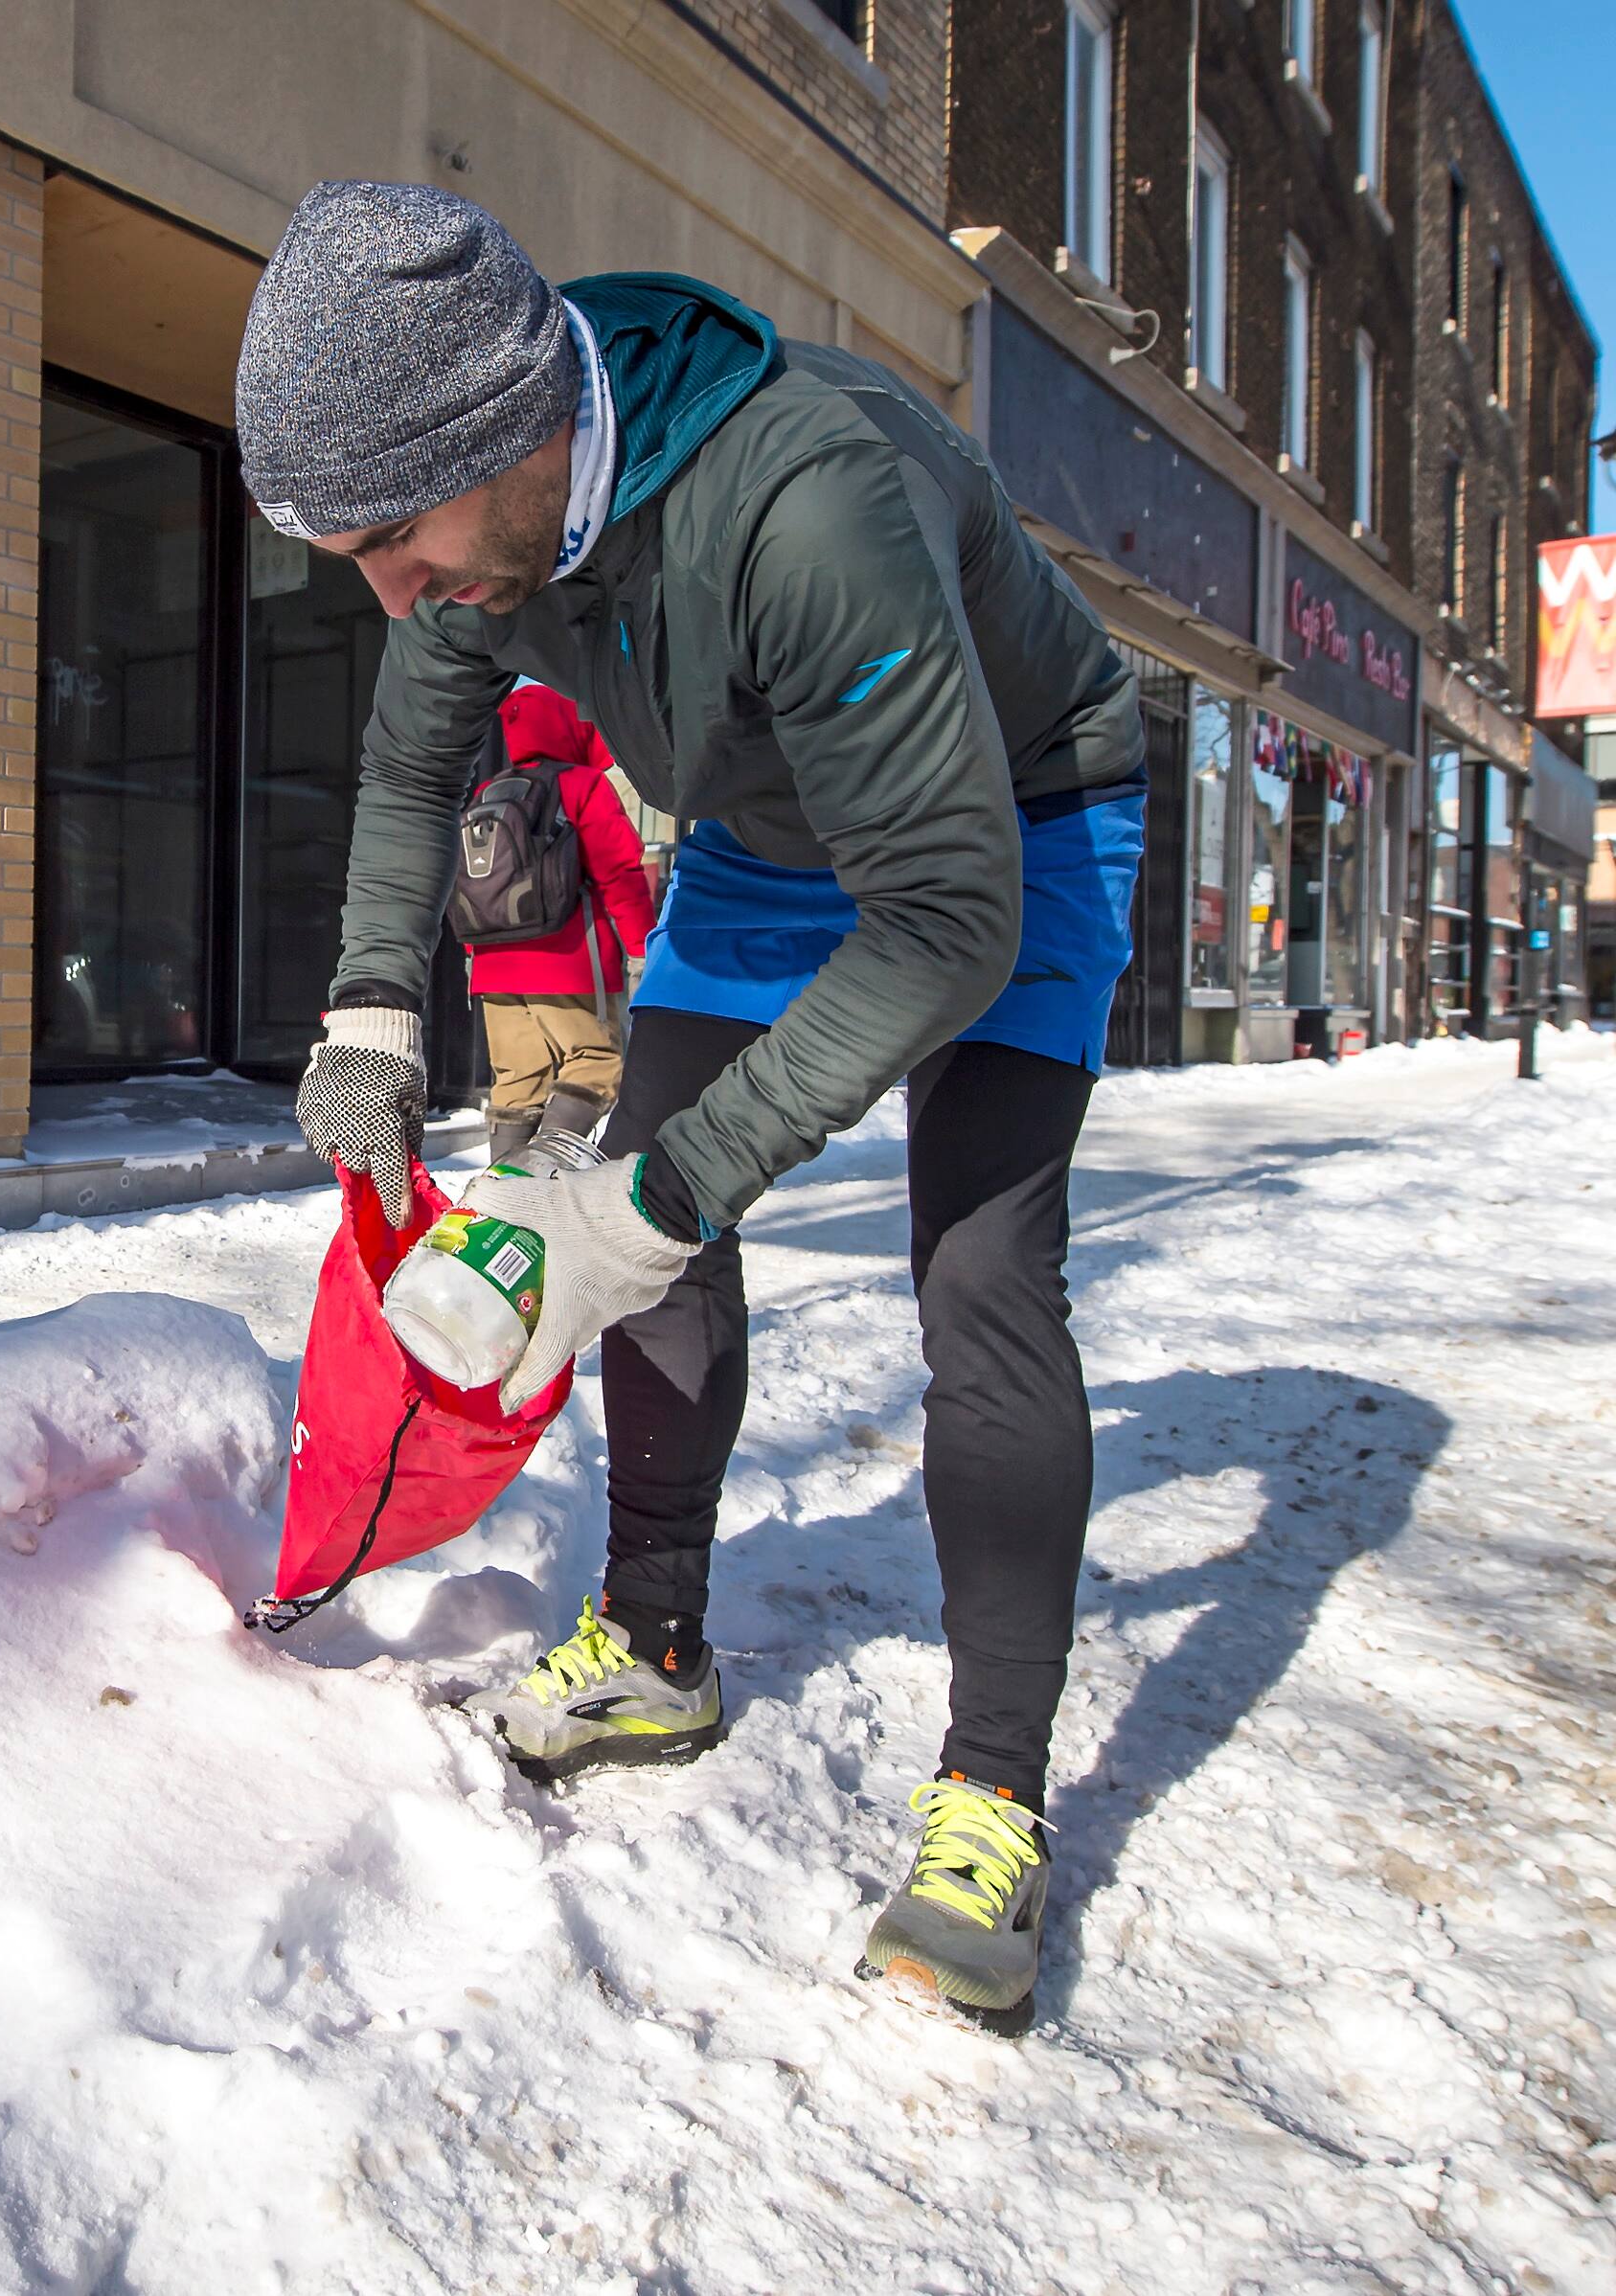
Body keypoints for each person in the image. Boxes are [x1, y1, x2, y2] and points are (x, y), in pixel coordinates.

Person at [243, 183, 1145, 2035]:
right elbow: (414, 766)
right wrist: (370, 1014)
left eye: (393, 539)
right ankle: (655, 1641)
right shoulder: (469, 533)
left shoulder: (808, 499)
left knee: (977, 1274)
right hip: (767, 834)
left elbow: (950, 917)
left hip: (1014, 826)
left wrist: (653, 1193)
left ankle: (991, 1788)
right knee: (654, 1213)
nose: (391, 594)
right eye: (352, 553)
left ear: (505, 435)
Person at [466, 684, 654, 1163]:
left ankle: (502, 1198)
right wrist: (643, 944)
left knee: (516, 1081)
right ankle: (545, 1179)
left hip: (494, 968)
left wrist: (474, 959)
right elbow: (619, 870)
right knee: (595, 1063)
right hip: (569, 960)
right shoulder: (583, 786)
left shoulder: (490, 791)